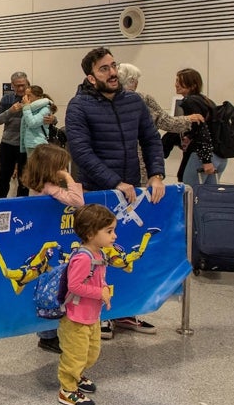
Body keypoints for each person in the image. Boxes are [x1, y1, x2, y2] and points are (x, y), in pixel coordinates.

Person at [65, 47, 165, 340]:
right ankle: (101, 315)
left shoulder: (133, 102)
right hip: (98, 193)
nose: (112, 73)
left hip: (129, 192)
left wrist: (157, 174)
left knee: (123, 253)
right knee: (96, 257)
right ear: (90, 77)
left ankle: (124, 312)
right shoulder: (78, 106)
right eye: (104, 69)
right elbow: (81, 152)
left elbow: (150, 139)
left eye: (113, 66)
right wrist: (114, 182)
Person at [21, 143, 85, 354]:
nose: (65, 169)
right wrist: (68, 178)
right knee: (52, 288)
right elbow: (78, 201)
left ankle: (49, 333)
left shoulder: (37, 186)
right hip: (48, 246)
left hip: (44, 244)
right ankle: (48, 335)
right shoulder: (50, 188)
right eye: (62, 167)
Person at [57, 204, 114, 405]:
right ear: (90, 234)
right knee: (74, 356)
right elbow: (74, 286)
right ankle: (67, 389)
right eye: (109, 231)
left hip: (92, 316)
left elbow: (101, 280)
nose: (114, 236)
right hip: (75, 319)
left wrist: (105, 290)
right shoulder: (83, 258)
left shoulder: (100, 255)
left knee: (91, 353)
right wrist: (99, 293)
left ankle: (78, 375)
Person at [118, 63, 204, 183]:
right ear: (132, 80)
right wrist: (189, 119)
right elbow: (165, 121)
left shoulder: (106, 101)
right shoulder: (142, 99)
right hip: (138, 162)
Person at [175, 68, 227, 186]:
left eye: (180, 81)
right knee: (209, 197)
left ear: (192, 85)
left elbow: (202, 130)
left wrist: (206, 160)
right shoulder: (206, 100)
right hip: (218, 156)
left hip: (202, 156)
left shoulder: (189, 101)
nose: (176, 84)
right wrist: (189, 136)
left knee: (189, 195)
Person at [0, 71, 30, 198]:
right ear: (12, 85)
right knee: (3, 178)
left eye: (23, 85)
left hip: (26, 146)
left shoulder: (34, 97)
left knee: (24, 181)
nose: (21, 88)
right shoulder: (7, 99)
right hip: (8, 144)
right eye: (17, 85)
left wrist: (52, 119)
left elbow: (49, 111)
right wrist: (10, 111)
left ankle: (21, 208)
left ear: (27, 83)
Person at [20, 85, 55, 157]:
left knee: (36, 167)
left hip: (38, 144)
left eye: (29, 95)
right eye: (25, 95)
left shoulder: (45, 109)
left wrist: (26, 107)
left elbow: (32, 123)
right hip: (30, 143)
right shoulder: (31, 109)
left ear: (38, 97)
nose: (25, 98)